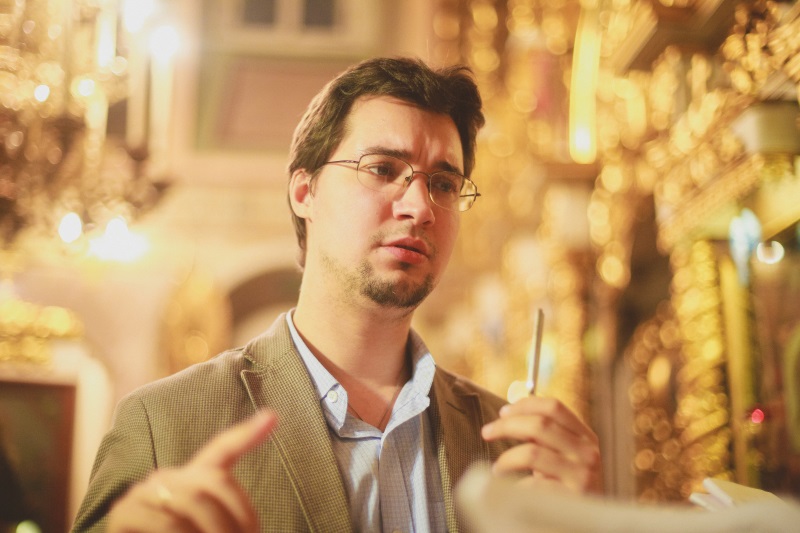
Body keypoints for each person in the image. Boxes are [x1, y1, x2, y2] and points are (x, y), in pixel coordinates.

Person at [72, 57, 601, 533]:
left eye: (443, 184)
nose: (420, 207)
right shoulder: (165, 424)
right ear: (305, 192)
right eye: (383, 169)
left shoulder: (512, 445)